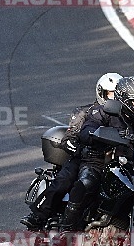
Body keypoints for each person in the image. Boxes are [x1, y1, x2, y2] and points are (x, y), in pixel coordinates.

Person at [21, 72, 123, 230]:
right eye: (111, 94)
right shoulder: (86, 112)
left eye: (118, 95)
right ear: (101, 93)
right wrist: (79, 149)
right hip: (85, 157)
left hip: (115, 161)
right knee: (64, 181)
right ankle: (39, 215)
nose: (115, 98)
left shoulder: (125, 116)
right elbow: (69, 137)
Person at [58, 76, 134, 233]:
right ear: (126, 101)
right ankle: (67, 229)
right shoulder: (105, 112)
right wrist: (95, 133)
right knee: (86, 183)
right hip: (99, 159)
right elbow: (87, 129)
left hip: (130, 165)